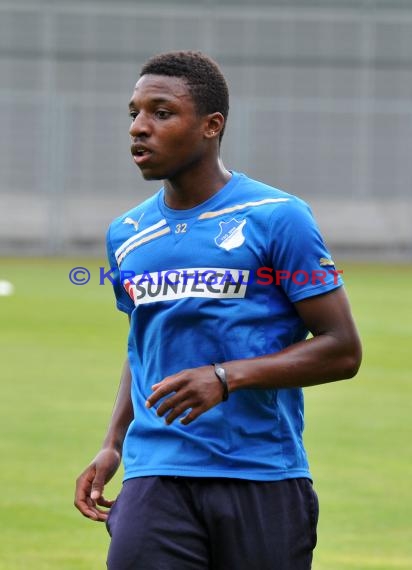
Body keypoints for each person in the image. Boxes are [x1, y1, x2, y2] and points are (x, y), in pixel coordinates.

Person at [74, 50, 362, 569]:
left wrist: (225, 377)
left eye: (161, 113)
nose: (139, 128)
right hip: (154, 472)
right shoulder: (127, 234)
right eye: (134, 113)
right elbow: (143, 342)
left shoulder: (278, 217)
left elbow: (342, 351)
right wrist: (113, 442)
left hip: (259, 474)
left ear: (212, 125)